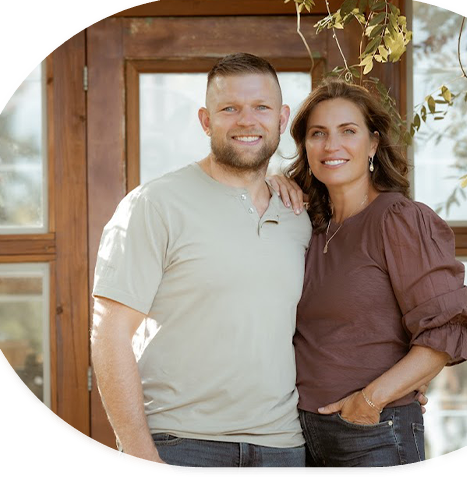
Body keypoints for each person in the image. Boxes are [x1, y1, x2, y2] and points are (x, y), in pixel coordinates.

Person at [90, 53, 313, 477]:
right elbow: (109, 334)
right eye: (230, 108)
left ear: (282, 118)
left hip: (282, 450)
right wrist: (142, 460)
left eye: (261, 107)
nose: (247, 120)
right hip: (180, 448)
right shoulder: (155, 205)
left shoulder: (298, 212)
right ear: (206, 121)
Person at [272, 79, 467, 476]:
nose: (332, 145)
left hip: (373, 436)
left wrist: (369, 403)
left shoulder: (399, 219)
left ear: (372, 143)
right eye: (319, 134)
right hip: (298, 438)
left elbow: (444, 333)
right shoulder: (306, 227)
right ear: (306, 147)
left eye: (348, 131)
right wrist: (270, 180)